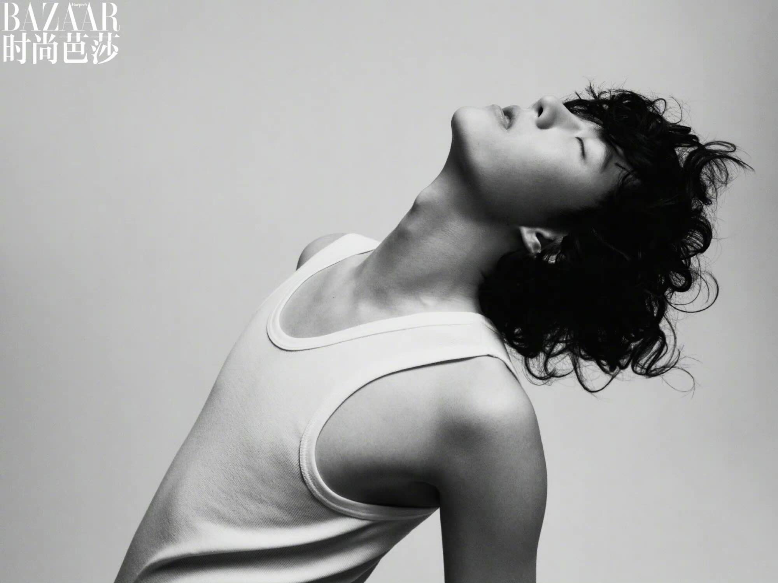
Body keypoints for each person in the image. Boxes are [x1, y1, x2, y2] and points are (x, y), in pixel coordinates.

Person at [114, 83, 751, 583]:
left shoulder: (477, 406)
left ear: (549, 239)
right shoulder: (323, 257)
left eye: (581, 147)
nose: (550, 107)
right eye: (577, 116)